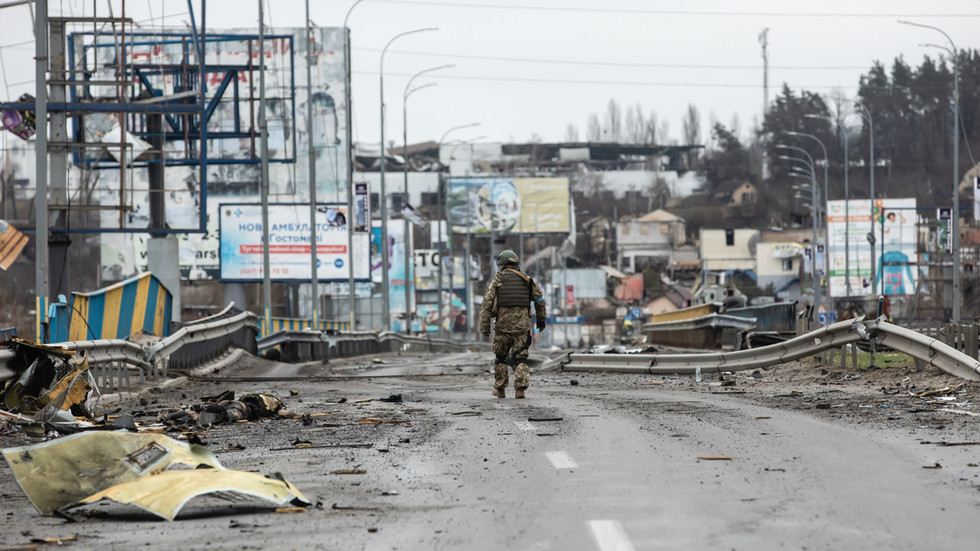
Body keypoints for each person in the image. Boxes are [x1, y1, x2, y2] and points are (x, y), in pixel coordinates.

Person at [480, 249, 546, 399]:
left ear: (502, 265)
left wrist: (484, 326)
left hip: (502, 327)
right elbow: (539, 301)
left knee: (501, 358)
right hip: (522, 327)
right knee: (521, 358)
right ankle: (520, 390)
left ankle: (500, 389)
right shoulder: (528, 280)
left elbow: (487, 303)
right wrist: (541, 321)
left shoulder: (497, 280)